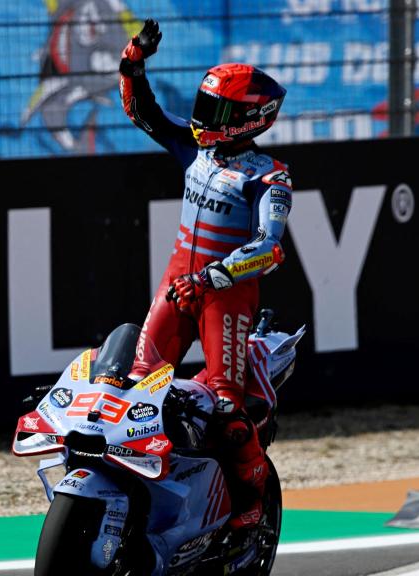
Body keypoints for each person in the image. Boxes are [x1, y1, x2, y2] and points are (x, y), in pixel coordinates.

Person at [119, 19, 292, 530]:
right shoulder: (195, 149)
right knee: (132, 386)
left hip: (226, 299)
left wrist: (214, 278)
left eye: (215, 111)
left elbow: (270, 249)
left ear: (249, 118)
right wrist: (134, 58)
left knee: (225, 412)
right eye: (203, 106)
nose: (201, 119)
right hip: (177, 286)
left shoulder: (270, 174)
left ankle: (252, 497)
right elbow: (141, 110)